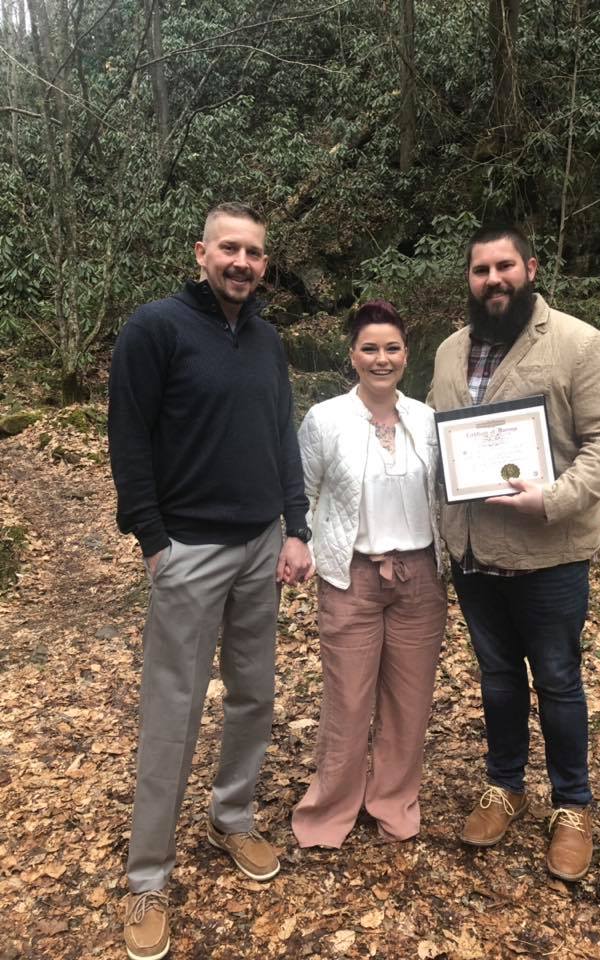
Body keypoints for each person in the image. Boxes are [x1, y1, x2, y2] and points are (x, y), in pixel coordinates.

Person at [108, 202, 313, 960]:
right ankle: (148, 878)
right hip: (188, 550)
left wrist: (296, 525)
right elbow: (128, 436)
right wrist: (152, 540)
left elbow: (281, 434)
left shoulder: (267, 341)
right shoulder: (155, 329)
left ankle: (232, 816)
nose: (242, 263)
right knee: (174, 708)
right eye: (229, 248)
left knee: (253, 694)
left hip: (261, 545)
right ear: (201, 252)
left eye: (254, 253)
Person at [427, 224, 600, 881]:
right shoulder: (450, 351)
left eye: (505, 266)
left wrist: (555, 497)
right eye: (480, 269)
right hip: (472, 552)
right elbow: (437, 437)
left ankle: (572, 805)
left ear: (531, 268)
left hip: (548, 553)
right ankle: (505, 785)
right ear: (469, 279)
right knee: (497, 677)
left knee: (557, 679)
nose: (493, 279)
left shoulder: (579, 343)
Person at [291, 300, 447, 849]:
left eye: (392, 348)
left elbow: (448, 490)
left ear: (406, 354)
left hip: (419, 577)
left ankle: (394, 800)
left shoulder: (426, 419)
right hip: (351, 577)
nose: (382, 359)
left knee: (409, 700)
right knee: (348, 701)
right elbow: (303, 493)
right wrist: (303, 545)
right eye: (370, 348)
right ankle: (330, 809)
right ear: (353, 355)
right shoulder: (325, 419)